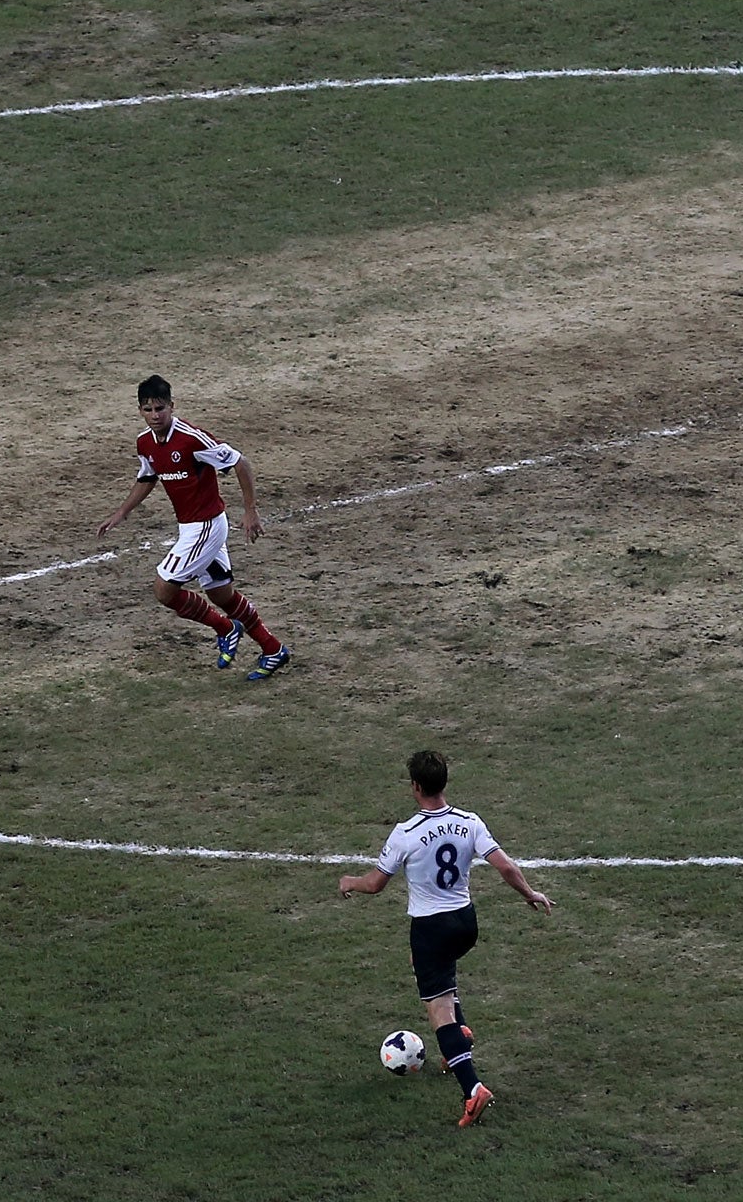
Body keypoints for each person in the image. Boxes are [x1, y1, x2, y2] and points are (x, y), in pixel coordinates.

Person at [338, 749, 555, 1128]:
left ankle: (472, 1088)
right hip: (465, 924)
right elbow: (503, 864)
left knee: (438, 1010)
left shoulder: (405, 834)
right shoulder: (469, 822)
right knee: (430, 967)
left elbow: (375, 884)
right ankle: (462, 1030)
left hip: (431, 928)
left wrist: (349, 883)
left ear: (416, 786)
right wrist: (530, 894)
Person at [95, 374, 291, 679]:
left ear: (172, 406)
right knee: (222, 595)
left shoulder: (191, 439)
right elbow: (148, 477)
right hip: (190, 528)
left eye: (160, 408)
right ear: (140, 411)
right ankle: (272, 649)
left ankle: (225, 628)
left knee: (164, 590)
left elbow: (240, 462)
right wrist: (122, 511)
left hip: (207, 527)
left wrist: (251, 511)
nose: (155, 415)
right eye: (148, 410)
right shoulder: (145, 442)